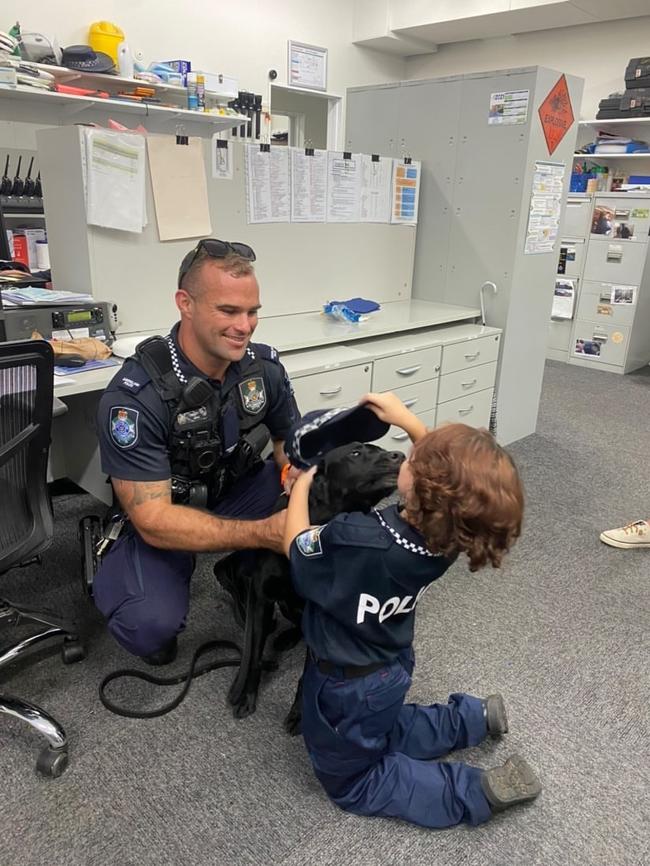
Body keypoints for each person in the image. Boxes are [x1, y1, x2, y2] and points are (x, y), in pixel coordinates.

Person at [283, 393, 541, 829]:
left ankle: (473, 791)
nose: (406, 454)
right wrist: (407, 420)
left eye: (415, 458)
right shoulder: (447, 538)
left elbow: (296, 546)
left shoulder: (355, 537)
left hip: (347, 685)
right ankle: (470, 719)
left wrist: (301, 485)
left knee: (355, 776)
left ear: (422, 484)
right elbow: (452, 485)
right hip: (390, 665)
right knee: (385, 727)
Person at [93, 239, 300, 664]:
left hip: (236, 487)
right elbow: (153, 520)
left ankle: (240, 571)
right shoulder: (135, 398)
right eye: (228, 311)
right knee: (150, 630)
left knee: (320, 500)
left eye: (252, 311)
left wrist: (295, 480)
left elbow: (288, 442)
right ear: (185, 303)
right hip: (162, 509)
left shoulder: (262, 370)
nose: (245, 326)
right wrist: (264, 534)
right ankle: (158, 570)